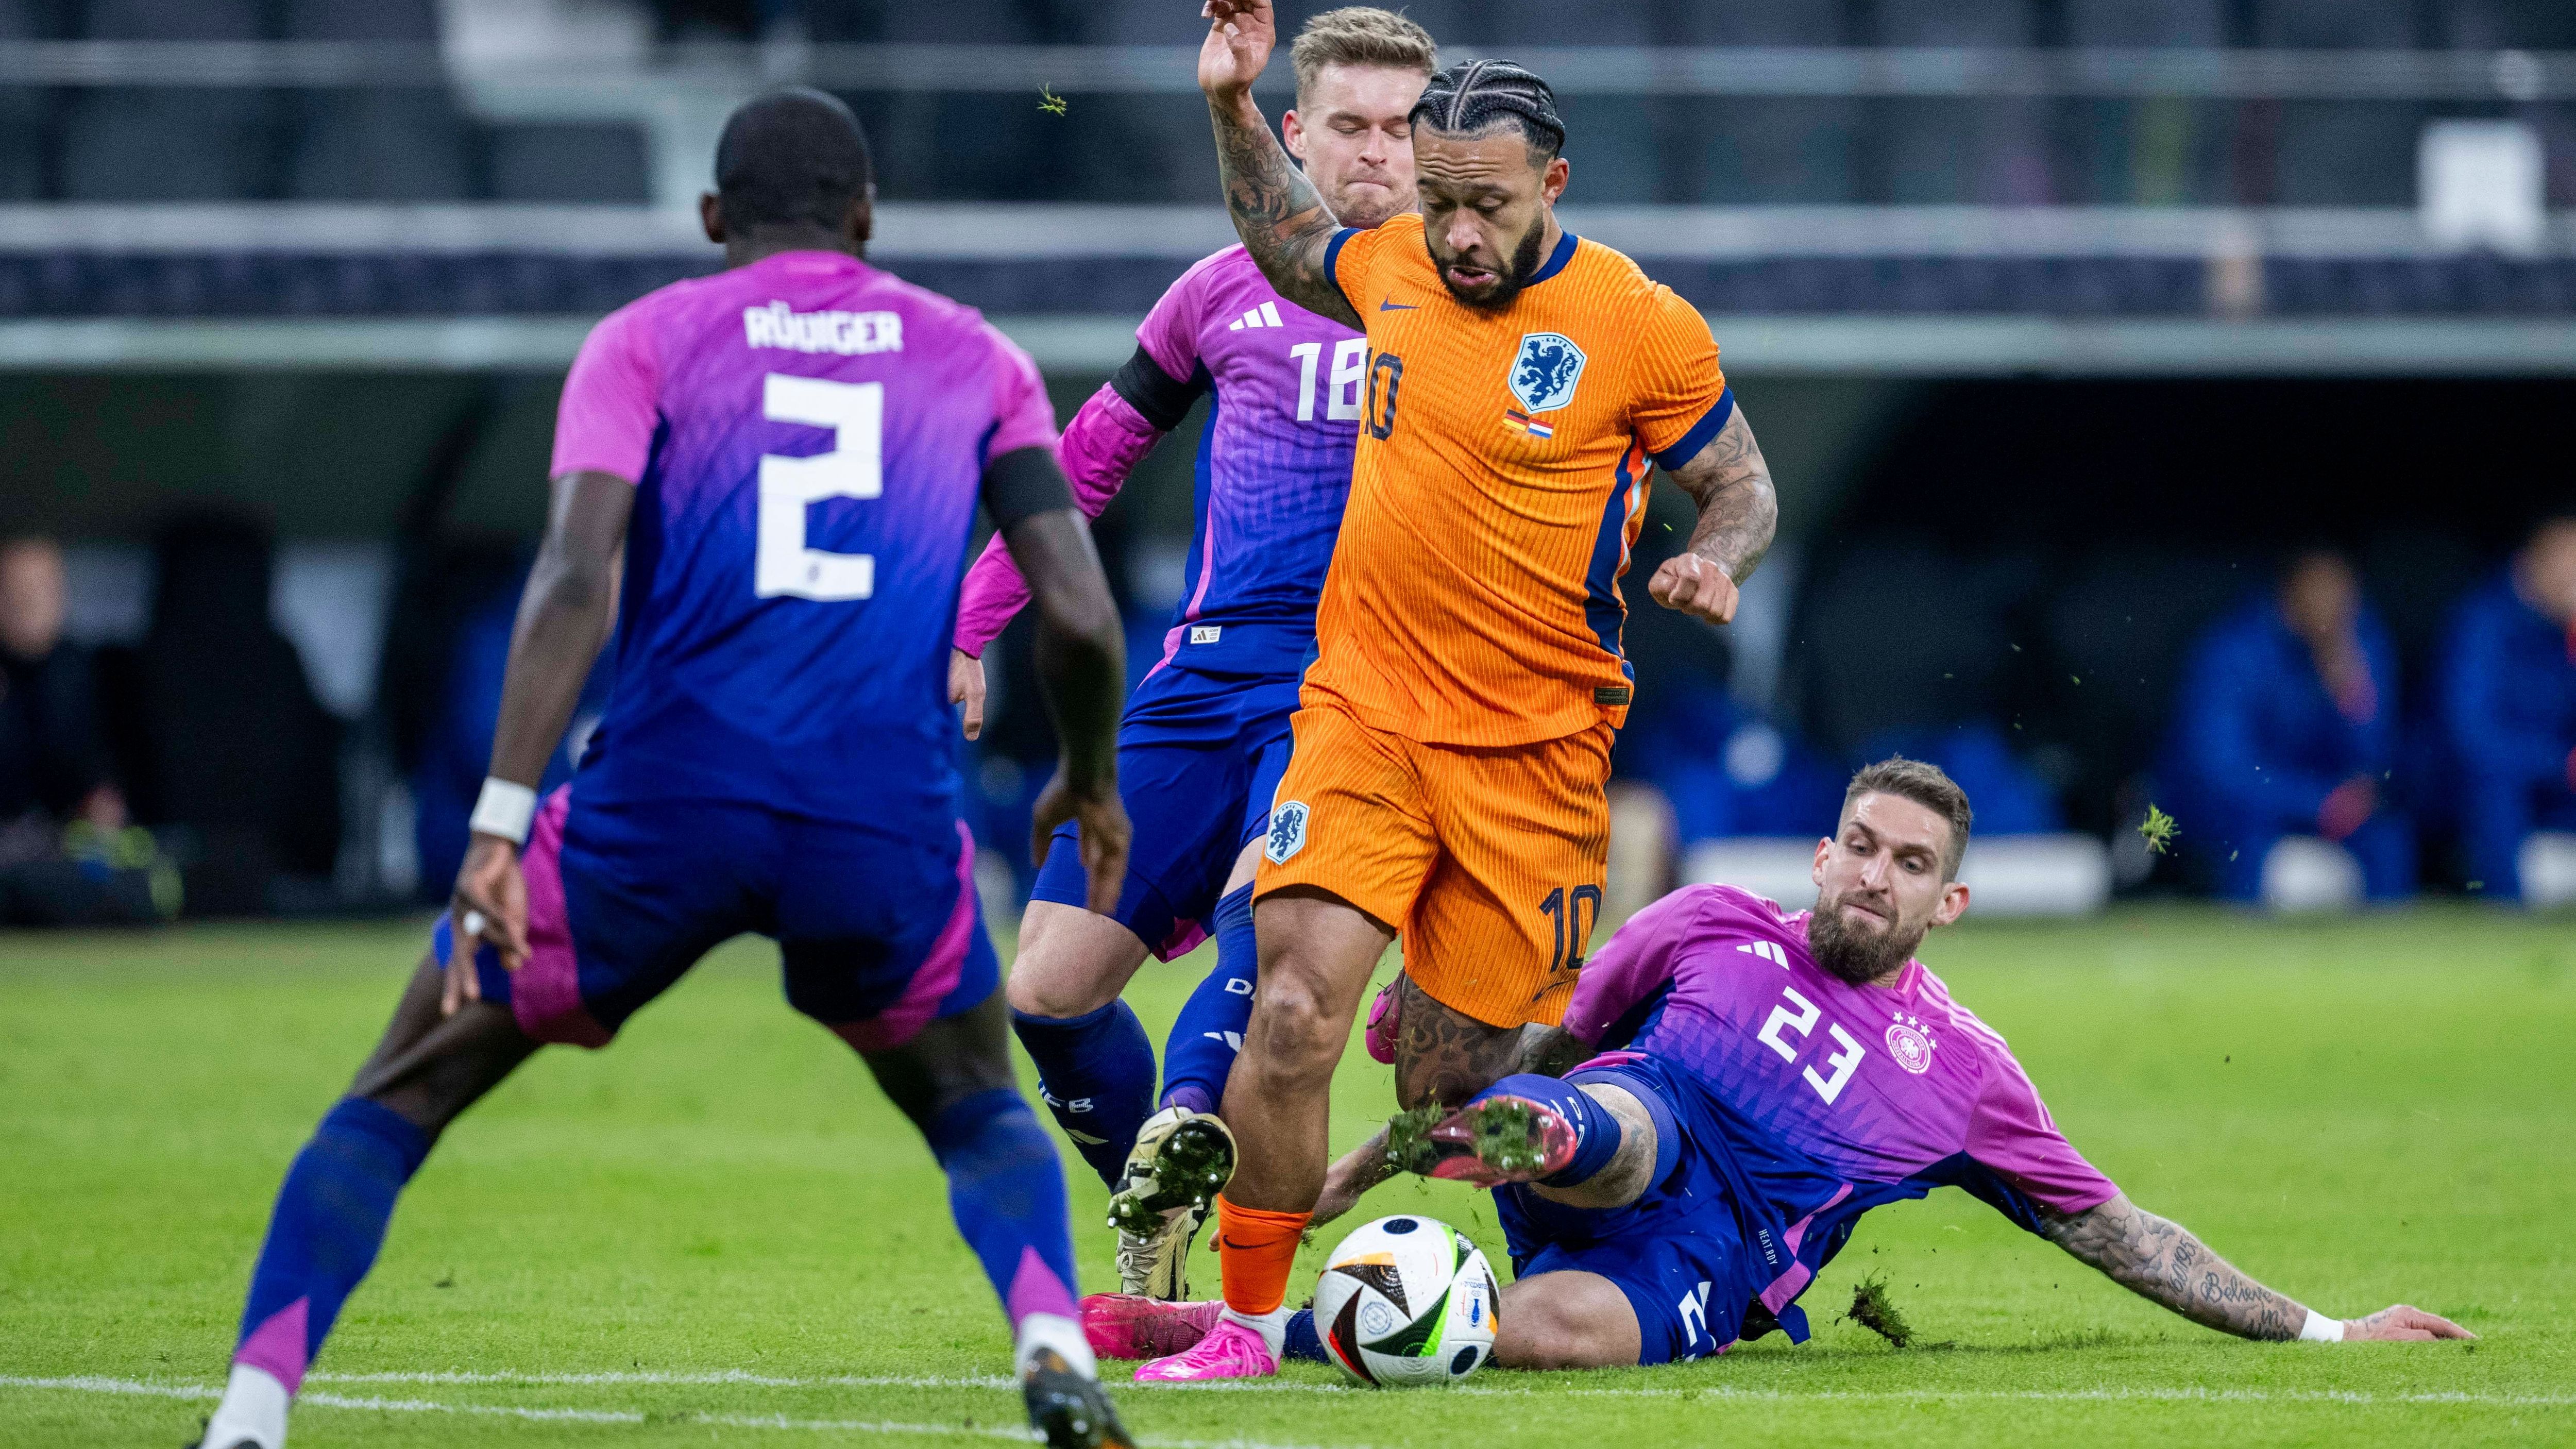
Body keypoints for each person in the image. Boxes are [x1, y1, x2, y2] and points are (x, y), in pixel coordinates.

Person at [191, 90, 1137, 1449]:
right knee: (980, 1103)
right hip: (876, 823)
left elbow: (576, 572)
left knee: (400, 1089)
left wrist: (497, 824)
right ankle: (1051, 1342)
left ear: (711, 222)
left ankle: (245, 1415)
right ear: (867, 221)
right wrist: (1088, 782)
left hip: (658, 813)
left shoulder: (643, 340)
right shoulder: (978, 359)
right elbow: (1084, 614)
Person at [1129, 3, 1780, 1383]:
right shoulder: (1399, 264)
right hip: (1362, 716)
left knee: (1448, 1091)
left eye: (1484, 205)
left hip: (1535, 761)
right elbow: (1286, 239)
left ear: (1553, 182)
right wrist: (1230, 103)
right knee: (1294, 1011)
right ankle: (1244, 1327)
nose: (1458, 235)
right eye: (1438, 204)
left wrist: (1712, 561)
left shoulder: (1640, 325)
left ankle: (1677, 1197)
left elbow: (1740, 481)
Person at [1090, 758, 2472, 1370]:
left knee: (1544, 1339)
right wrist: (1379, 1153)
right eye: (1861, 845)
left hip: (1717, 1258)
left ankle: (1237, 1335)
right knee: (1603, 1117)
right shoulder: (1707, 925)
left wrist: (2330, 1328)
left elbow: (2121, 1235)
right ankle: (1308, 1254)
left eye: (1911, 864)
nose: (1877, 874)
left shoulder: (1972, 1077)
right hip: (1619, 1126)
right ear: (1824, 854)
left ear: (1950, 906)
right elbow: (1564, 1053)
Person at [946, 6, 1438, 1303]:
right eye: (1350, 125)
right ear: (1294, 132)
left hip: (1355, 687)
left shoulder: (1463, 301)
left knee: (1269, 939)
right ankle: (1160, 1221)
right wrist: (965, 625)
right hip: (1203, 678)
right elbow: (1082, 468)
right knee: (1045, 990)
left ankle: (1187, 1131)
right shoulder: (1217, 291)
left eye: (1403, 129)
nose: (1378, 155)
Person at [2163, 549, 2412, 903]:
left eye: (2343, 591)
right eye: (2321, 588)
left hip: (2327, 804)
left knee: (2387, 835)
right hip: (2245, 807)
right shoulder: (2233, 651)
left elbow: (2377, 761)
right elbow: (2221, 769)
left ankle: (2388, 948)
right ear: (2290, 590)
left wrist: (2352, 697)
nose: (2334, 603)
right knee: (2246, 835)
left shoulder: (2361, 644)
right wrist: (2315, 801)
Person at [2439, 516, 2576, 902]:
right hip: (2489, 793)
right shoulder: (2483, 622)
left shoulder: (2569, 630)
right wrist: (2559, 764)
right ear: (2528, 562)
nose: (2572, 575)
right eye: (2563, 560)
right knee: (2495, 786)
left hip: (2560, 792)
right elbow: (2472, 737)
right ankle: (2507, 911)